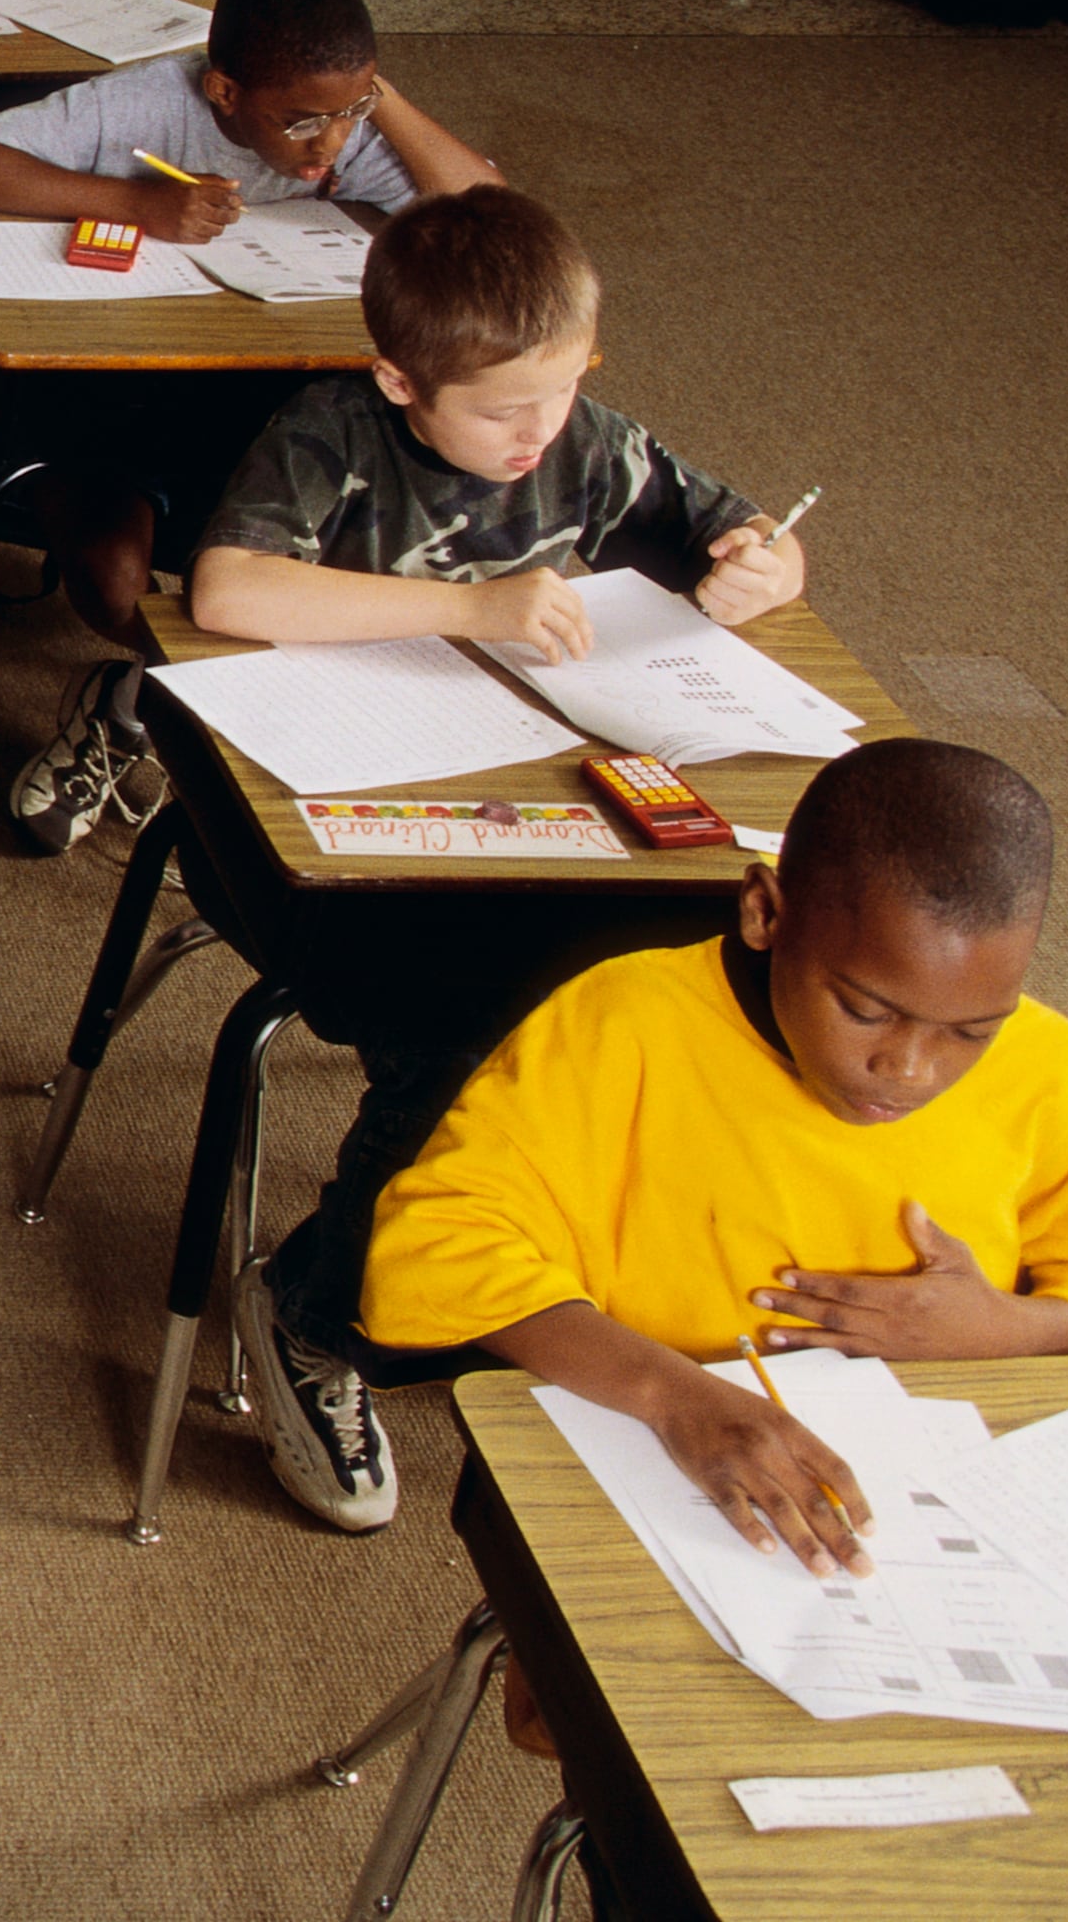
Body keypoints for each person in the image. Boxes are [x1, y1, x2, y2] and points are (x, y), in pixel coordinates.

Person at [186, 184, 815, 1533]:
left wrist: (771, 568)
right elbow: (228, 591)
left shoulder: (582, 442)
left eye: (564, 389)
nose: (539, 436)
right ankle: (316, 1314)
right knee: (467, 1041)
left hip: (526, 817)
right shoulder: (333, 441)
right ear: (399, 379)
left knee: (697, 993)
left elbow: (730, 533)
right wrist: (470, 604)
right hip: (324, 850)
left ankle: (549, 1275)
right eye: (500, 409)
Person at [366, 740, 1068, 1579]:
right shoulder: (621, 1024)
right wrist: (676, 1398)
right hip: (649, 1455)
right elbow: (434, 1245)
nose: (910, 1069)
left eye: (969, 1032)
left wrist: (1009, 1329)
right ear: (766, 912)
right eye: (864, 1009)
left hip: (930, 1501)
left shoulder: (1050, 1066)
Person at [0, 0, 499, 854]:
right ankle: (181, 701)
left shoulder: (345, 123)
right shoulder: (152, 102)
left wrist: (370, 100)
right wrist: (130, 203)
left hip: (265, 404)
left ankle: (133, 707)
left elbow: (488, 211)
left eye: (347, 114)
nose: (328, 148)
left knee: (363, 558)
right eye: (301, 122)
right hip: (119, 397)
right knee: (116, 584)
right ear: (225, 90)